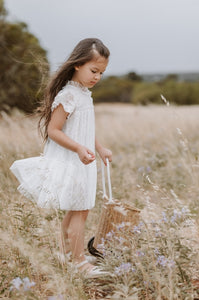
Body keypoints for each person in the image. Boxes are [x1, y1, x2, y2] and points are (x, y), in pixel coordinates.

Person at [10, 38, 112, 276]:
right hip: (72, 160)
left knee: (79, 209)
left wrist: (99, 148)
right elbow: (53, 131)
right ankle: (78, 263)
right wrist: (78, 148)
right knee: (80, 209)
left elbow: (86, 129)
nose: (97, 77)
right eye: (93, 70)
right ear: (78, 64)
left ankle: (67, 255)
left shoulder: (84, 93)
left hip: (83, 159)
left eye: (101, 73)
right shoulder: (68, 95)